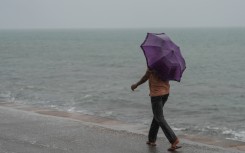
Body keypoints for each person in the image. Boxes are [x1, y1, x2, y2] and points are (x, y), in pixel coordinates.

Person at [131, 68, 181, 151]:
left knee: (159, 117)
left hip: (156, 94)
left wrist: (136, 84)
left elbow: (146, 76)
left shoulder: (153, 63)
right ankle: (151, 139)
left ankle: (173, 140)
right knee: (157, 116)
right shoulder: (166, 63)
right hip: (165, 92)